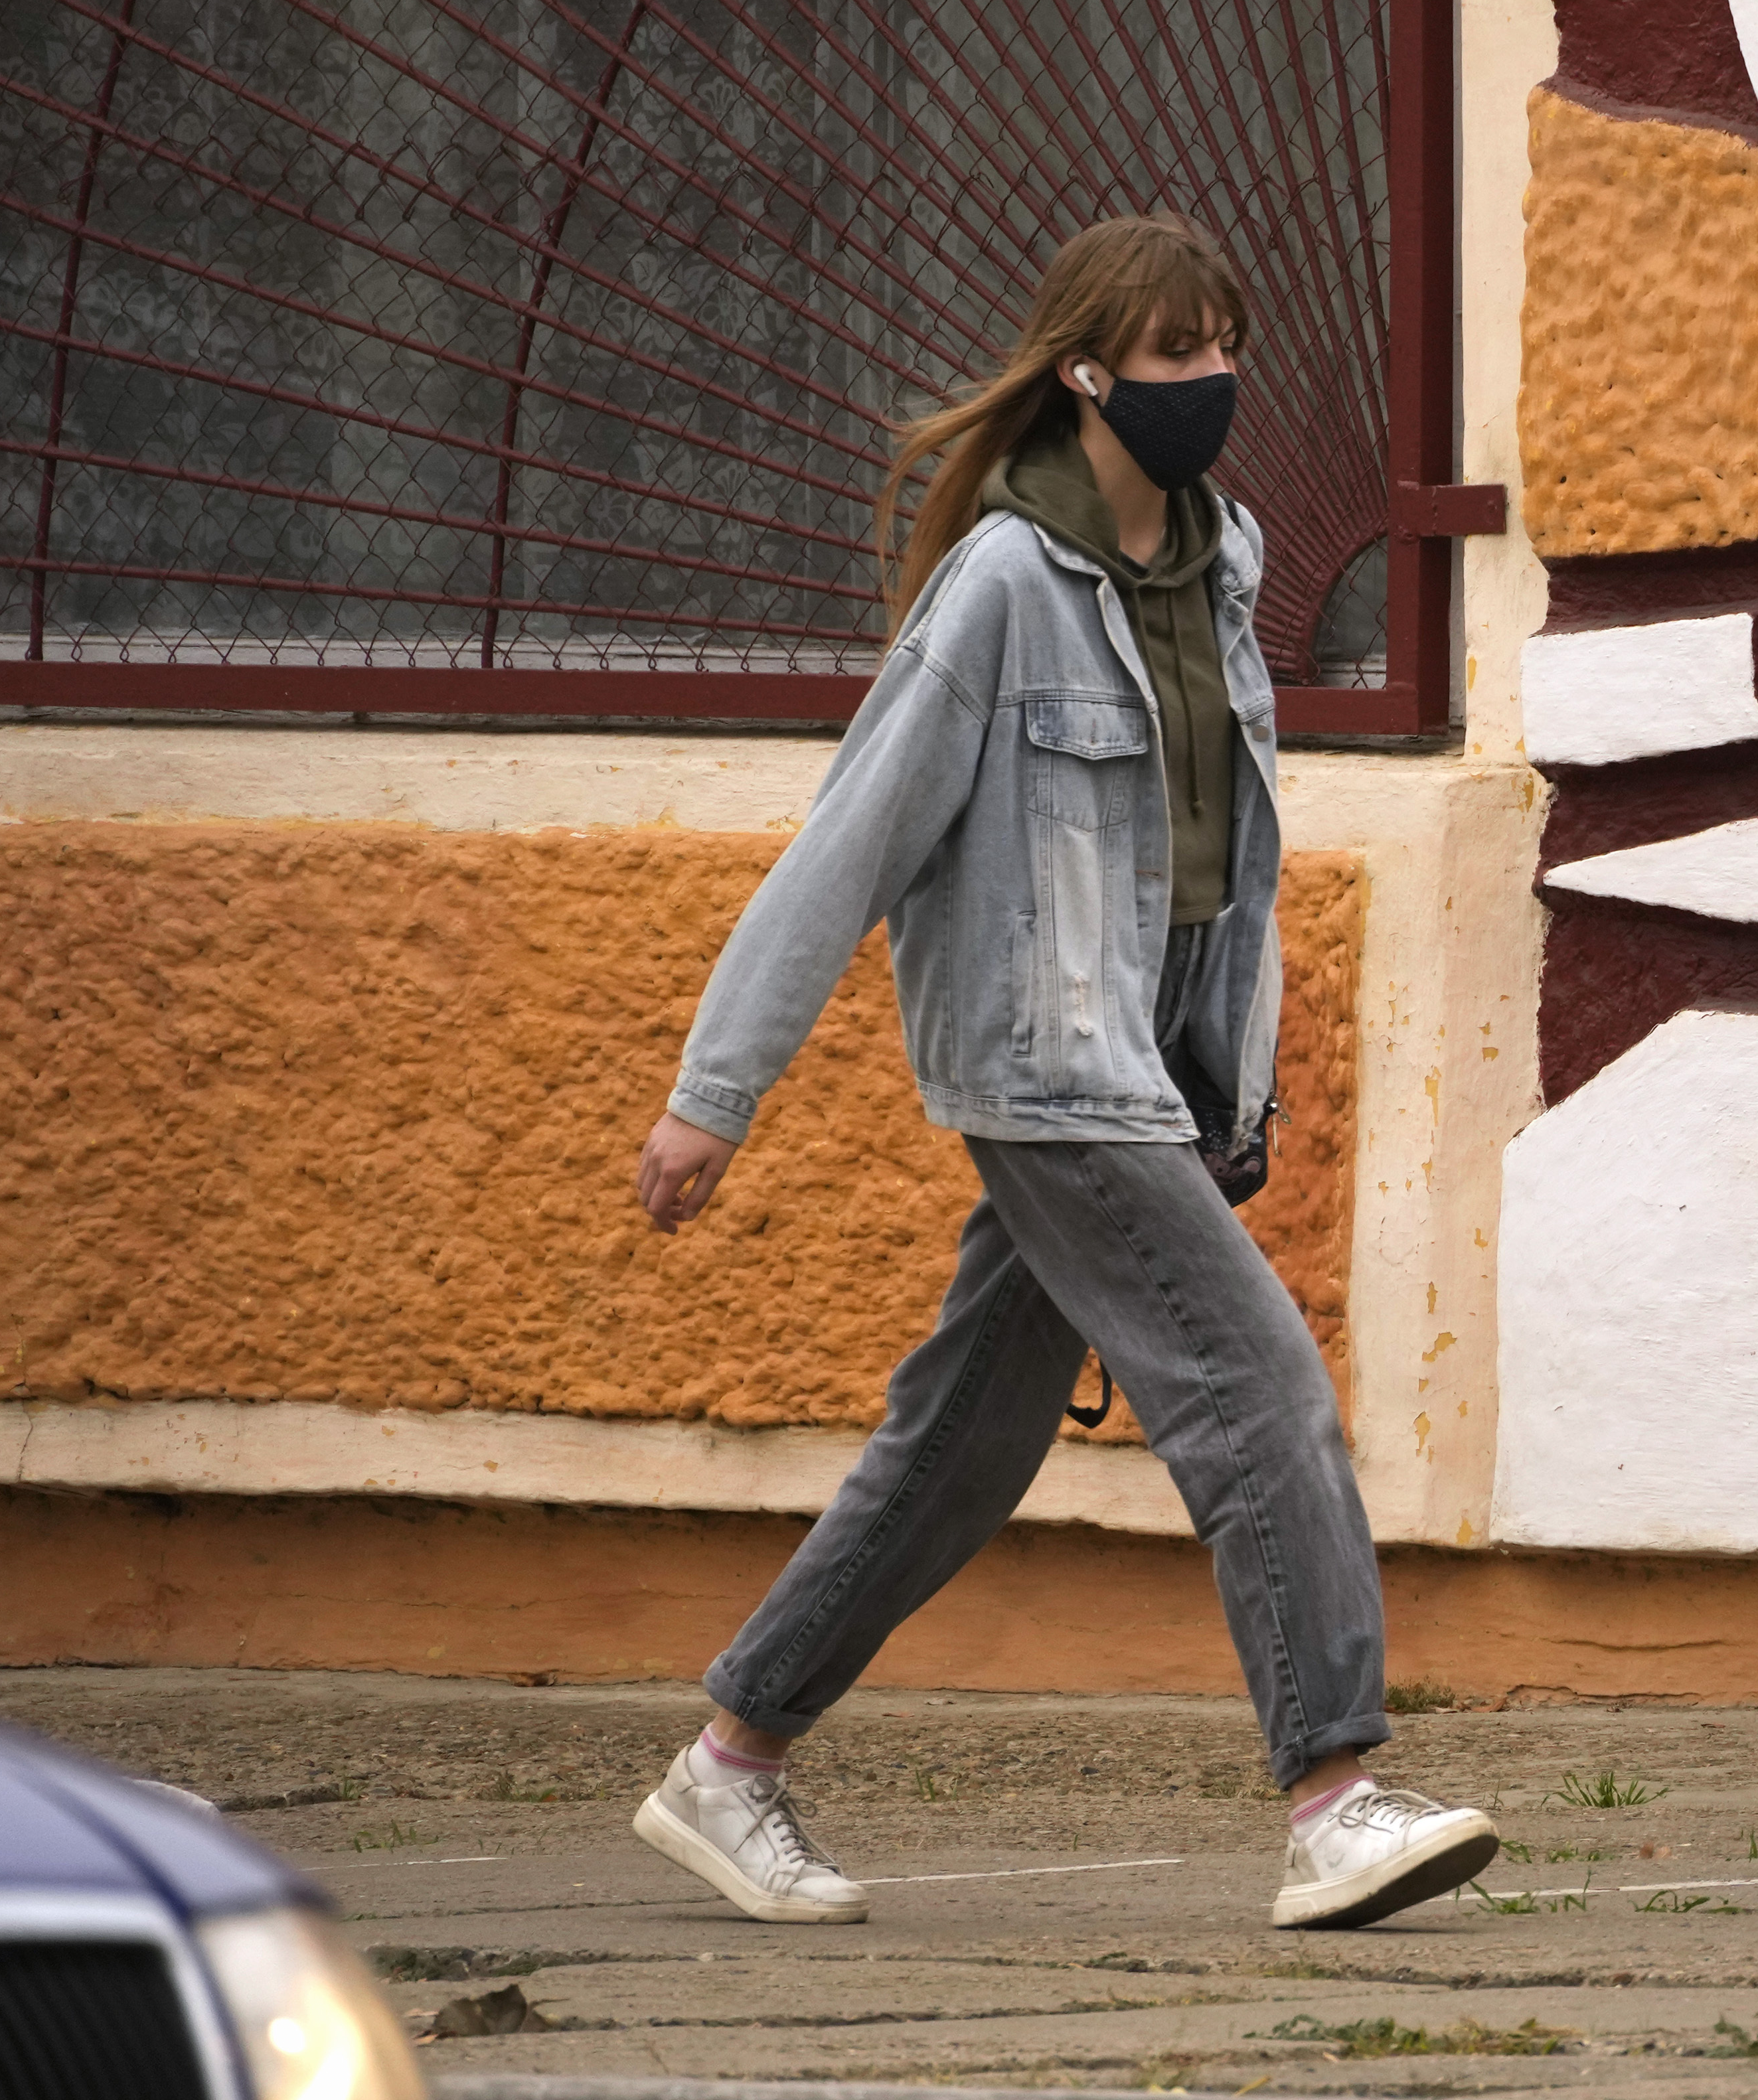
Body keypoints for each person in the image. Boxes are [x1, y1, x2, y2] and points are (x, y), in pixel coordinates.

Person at [621, 214, 1496, 1933]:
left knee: (962, 1448)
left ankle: (728, 1770)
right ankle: (1333, 1796)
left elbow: (1211, 853)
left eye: (1225, 344)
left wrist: (1230, 1079)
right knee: (1258, 1399)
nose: (1213, 381)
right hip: (1049, 1074)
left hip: (1156, 1078)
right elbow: (851, 842)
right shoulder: (1007, 585)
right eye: (1177, 355)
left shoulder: (1226, 559)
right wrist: (715, 1091)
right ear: (1089, 374)